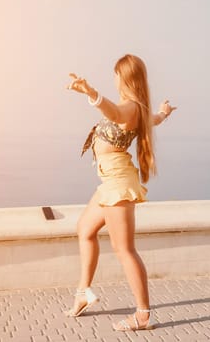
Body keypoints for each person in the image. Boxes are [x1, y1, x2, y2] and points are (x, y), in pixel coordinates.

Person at [63, 54, 177, 331]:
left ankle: (142, 316)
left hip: (117, 184)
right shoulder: (140, 109)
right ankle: (83, 293)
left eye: (115, 74)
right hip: (110, 183)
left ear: (124, 78)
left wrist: (91, 93)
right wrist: (163, 111)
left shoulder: (128, 108)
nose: (113, 79)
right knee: (85, 230)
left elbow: (112, 113)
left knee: (124, 249)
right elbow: (155, 120)